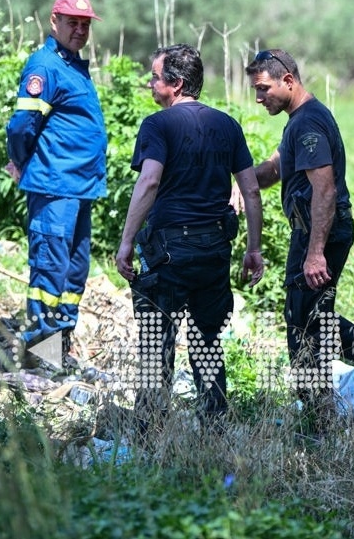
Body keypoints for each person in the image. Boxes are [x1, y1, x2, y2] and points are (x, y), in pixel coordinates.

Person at [115, 44, 264, 436]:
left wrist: (126, 242)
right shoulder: (227, 125)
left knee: (155, 344)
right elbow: (249, 191)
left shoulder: (157, 126)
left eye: (154, 76)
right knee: (207, 341)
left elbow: (148, 181)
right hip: (214, 251)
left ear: (175, 83)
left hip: (167, 254)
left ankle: (148, 431)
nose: (149, 83)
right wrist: (253, 249)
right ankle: (214, 424)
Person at [244, 48, 354, 427]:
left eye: (264, 88)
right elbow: (274, 170)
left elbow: (324, 190)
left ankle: (320, 412)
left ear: (288, 80)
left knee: (305, 323)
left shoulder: (307, 123)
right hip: (315, 234)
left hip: (319, 235)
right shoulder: (300, 120)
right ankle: (327, 401)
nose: (259, 98)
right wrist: (241, 184)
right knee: (310, 319)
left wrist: (315, 253)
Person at [5, 0, 107, 367]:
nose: (80, 30)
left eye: (85, 24)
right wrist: (20, 162)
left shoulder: (74, 65)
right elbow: (21, 127)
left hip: (80, 189)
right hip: (54, 187)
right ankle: (34, 359)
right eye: (72, 22)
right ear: (54, 22)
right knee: (49, 274)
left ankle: (57, 353)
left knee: (73, 275)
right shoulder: (44, 66)